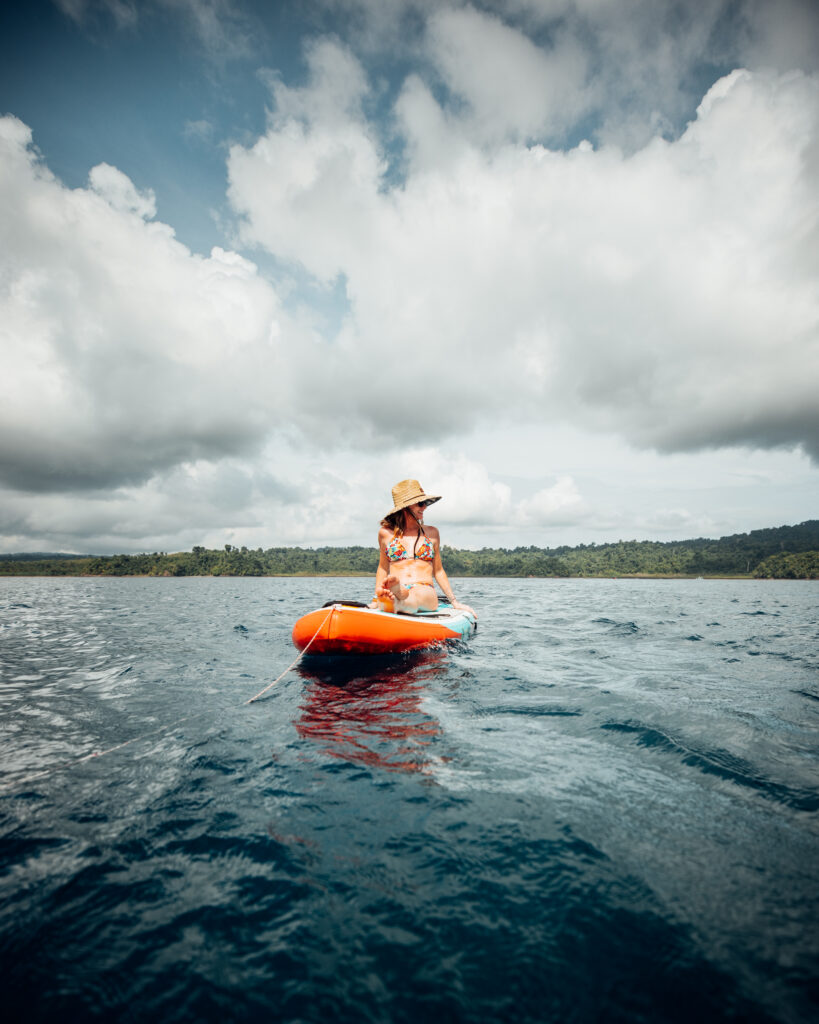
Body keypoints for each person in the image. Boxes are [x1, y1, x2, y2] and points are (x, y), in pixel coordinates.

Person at [371, 479, 476, 617]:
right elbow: (383, 568)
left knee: (415, 595)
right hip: (397, 586)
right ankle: (394, 596)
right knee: (396, 592)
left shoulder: (432, 533)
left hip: (424, 589)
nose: (425, 507)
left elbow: (438, 571)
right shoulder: (385, 533)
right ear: (405, 507)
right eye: (420, 504)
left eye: (425, 503)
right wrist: (374, 600)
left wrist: (454, 602)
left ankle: (397, 602)